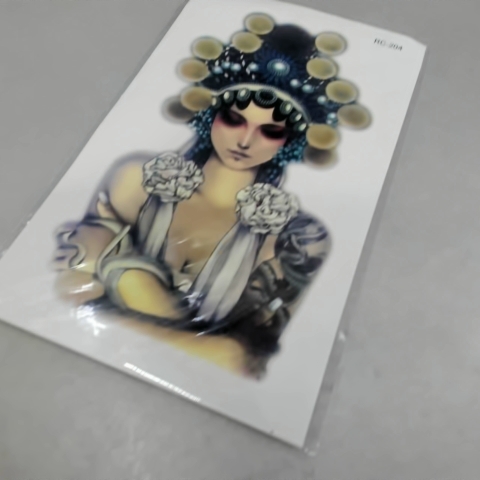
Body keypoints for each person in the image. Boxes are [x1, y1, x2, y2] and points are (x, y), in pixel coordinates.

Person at [53, 14, 370, 377]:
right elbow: (71, 286)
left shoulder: (299, 239)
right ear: (210, 115)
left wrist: (121, 293)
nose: (245, 141)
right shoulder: (135, 181)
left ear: (290, 142)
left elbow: (242, 360)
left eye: (269, 131)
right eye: (234, 119)